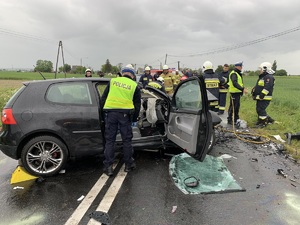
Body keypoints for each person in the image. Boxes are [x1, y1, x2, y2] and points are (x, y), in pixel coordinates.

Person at [101, 65, 141, 176]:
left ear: (122, 73)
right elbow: (137, 105)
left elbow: (103, 99)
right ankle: (128, 165)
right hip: (125, 115)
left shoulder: (113, 81)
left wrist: (102, 114)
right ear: (132, 75)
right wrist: (134, 119)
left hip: (111, 114)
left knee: (110, 141)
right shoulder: (134, 85)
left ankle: (108, 167)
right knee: (127, 141)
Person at [252, 62, 275, 127]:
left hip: (265, 97)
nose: (260, 70)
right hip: (260, 97)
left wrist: (262, 94)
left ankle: (263, 123)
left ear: (265, 69)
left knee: (261, 109)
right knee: (258, 109)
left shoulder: (269, 77)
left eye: (261, 69)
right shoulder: (263, 77)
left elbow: (268, 87)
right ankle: (260, 121)